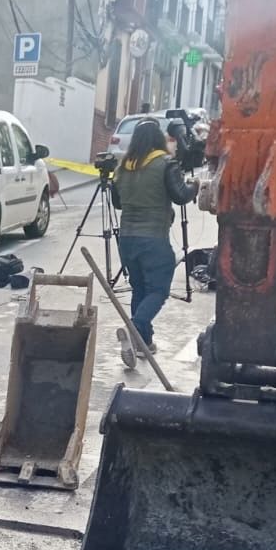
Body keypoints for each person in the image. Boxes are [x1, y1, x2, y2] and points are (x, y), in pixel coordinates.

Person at [110, 118, 197, 366]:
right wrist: (195, 185)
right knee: (158, 290)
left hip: (126, 239)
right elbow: (180, 196)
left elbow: (117, 203)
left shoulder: (123, 166)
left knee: (139, 288)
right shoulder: (165, 163)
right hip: (154, 239)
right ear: (158, 138)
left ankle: (143, 343)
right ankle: (136, 327)